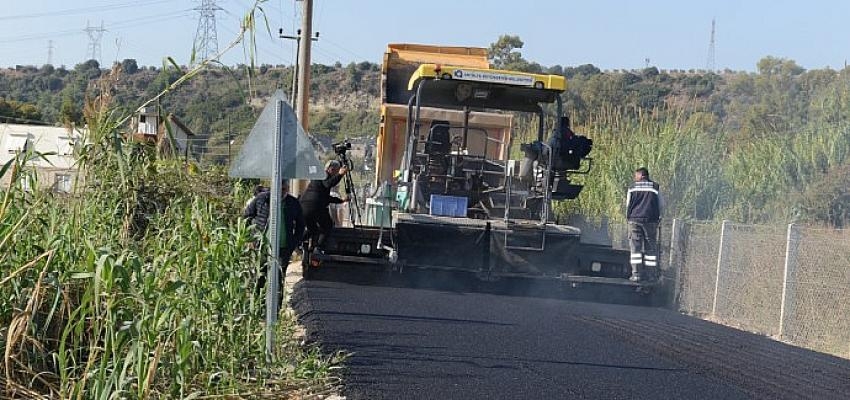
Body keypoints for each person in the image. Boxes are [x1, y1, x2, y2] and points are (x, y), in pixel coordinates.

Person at [243, 180, 305, 295]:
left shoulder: (292, 203)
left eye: (284, 189)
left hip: (283, 248)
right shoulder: (262, 199)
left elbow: (301, 224)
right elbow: (246, 217)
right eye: (278, 189)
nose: (281, 192)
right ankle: (259, 308)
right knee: (260, 277)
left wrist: (294, 242)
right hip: (262, 247)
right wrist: (251, 238)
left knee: (279, 280)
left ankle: (276, 309)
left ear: (287, 189)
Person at [300, 160, 349, 254]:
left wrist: (341, 200)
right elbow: (328, 184)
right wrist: (340, 175)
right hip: (315, 207)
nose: (335, 175)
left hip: (305, 206)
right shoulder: (324, 175)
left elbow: (325, 197)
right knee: (327, 225)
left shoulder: (319, 179)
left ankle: (297, 242)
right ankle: (318, 248)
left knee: (313, 230)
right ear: (331, 169)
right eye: (336, 171)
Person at [626, 167, 664, 282]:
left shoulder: (632, 188)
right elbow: (661, 204)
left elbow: (628, 205)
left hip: (634, 220)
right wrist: (659, 217)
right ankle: (651, 276)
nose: (635, 178)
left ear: (641, 175)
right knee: (650, 249)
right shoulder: (655, 187)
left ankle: (636, 275)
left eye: (636, 175)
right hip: (650, 221)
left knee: (635, 248)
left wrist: (628, 217)